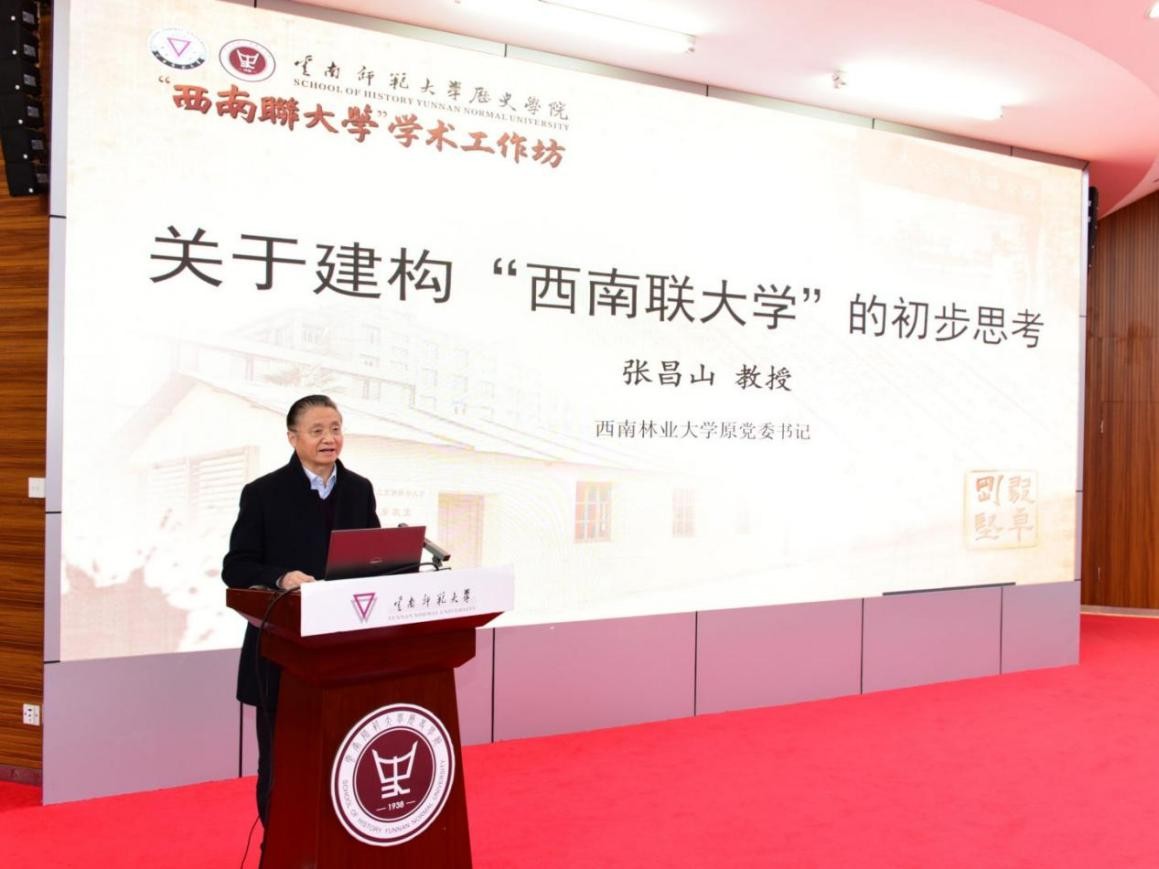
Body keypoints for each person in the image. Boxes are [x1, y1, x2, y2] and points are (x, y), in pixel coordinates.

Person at [221, 394, 380, 830]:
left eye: (336, 428)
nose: (330, 438)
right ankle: (277, 848)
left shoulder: (359, 489)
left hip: (345, 653)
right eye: (317, 431)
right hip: (283, 654)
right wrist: (281, 577)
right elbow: (236, 567)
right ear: (293, 438)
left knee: (343, 763)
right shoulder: (263, 494)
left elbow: (375, 558)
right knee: (282, 765)